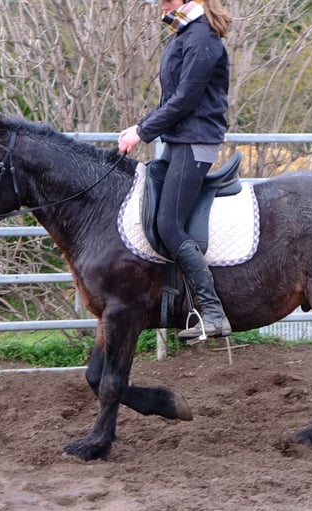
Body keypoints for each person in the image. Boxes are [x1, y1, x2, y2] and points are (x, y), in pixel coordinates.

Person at [118, 0, 233, 341]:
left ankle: (213, 312)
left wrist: (142, 132)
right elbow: (171, 97)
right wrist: (143, 126)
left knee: (169, 224)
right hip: (180, 139)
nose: (157, 3)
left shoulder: (202, 39)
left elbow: (185, 100)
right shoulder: (184, 34)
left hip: (195, 141)